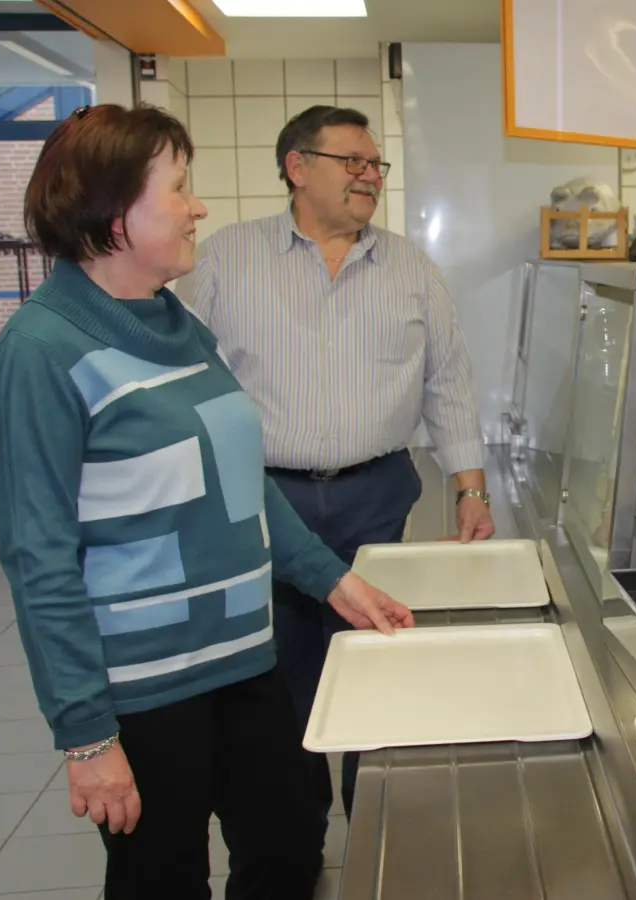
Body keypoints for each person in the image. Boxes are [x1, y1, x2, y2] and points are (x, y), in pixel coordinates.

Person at [0, 104, 414, 900]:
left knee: (287, 843)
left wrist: (335, 583)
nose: (197, 207)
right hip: (146, 689)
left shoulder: (177, 323)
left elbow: (240, 482)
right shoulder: (43, 351)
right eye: (178, 188)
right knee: (162, 877)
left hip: (245, 660)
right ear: (113, 215)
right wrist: (85, 735)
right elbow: (39, 559)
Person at [184, 105, 492, 824]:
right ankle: (291, 832)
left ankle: (377, 822)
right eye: (351, 161)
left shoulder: (410, 266)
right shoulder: (226, 259)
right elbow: (186, 382)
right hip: (265, 502)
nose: (369, 176)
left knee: (375, 660)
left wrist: (470, 487)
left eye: (375, 164)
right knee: (278, 681)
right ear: (297, 167)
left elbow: (449, 380)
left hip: (375, 497)